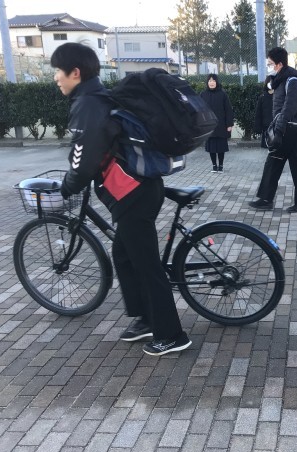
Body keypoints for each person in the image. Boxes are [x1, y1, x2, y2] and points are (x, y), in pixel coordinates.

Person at [52, 42, 191, 356]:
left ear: (75, 72)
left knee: (147, 266)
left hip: (132, 194)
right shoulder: (98, 97)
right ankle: (146, 319)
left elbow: (83, 159)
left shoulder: (89, 104)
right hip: (137, 190)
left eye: (59, 71)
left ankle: (172, 335)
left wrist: (67, 187)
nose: (56, 78)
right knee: (124, 256)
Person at [248, 47, 297, 213]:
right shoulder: (281, 80)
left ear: (279, 64)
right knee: (281, 161)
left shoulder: (292, 81)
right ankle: (272, 200)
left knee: (286, 163)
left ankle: (273, 200)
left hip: (292, 129)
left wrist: (279, 128)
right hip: (289, 128)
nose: (269, 66)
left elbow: (290, 107)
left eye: (270, 63)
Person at [200, 74, 234, 173]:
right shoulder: (203, 94)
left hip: (221, 125)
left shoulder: (223, 94)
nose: (212, 83)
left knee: (221, 147)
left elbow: (228, 110)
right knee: (211, 148)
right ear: (207, 82)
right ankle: (214, 166)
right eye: (210, 81)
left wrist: (229, 124)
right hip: (209, 126)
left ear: (217, 82)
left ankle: (221, 166)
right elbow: (200, 110)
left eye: (213, 81)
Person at [253, 76, 274, 148]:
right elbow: (258, 114)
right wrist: (257, 129)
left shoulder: (279, 96)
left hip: (277, 126)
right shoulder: (262, 97)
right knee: (266, 147)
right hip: (266, 127)